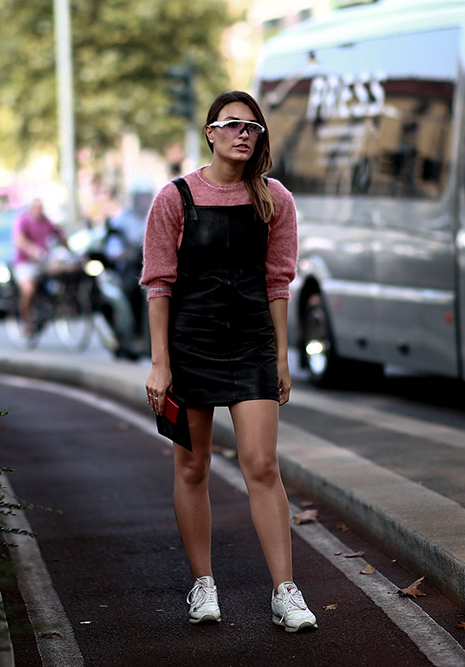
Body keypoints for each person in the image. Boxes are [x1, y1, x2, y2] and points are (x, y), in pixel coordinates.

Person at [141, 90, 317, 632]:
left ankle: (285, 591)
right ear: (210, 133)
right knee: (192, 467)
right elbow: (158, 283)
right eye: (233, 124)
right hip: (190, 345)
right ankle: (203, 584)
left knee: (262, 465)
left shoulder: (275, 199)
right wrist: (159, 363)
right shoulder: (174, 198)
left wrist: (282, 357)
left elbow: (278, 282)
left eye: (254, 127)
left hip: (250, 345)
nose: (245, 133)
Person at [12, 197, 67, 332]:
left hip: (43, 261)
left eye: (41, 208)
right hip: (25, 263)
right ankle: (25, 321)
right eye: (36, 207)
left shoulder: (46, 221)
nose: (39, 210)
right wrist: (33, 250)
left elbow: (61, 237)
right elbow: (19, 240)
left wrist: (71, 251)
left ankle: (54, 303)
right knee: (28, 290)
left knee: (63, 270)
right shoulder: (23, 220)